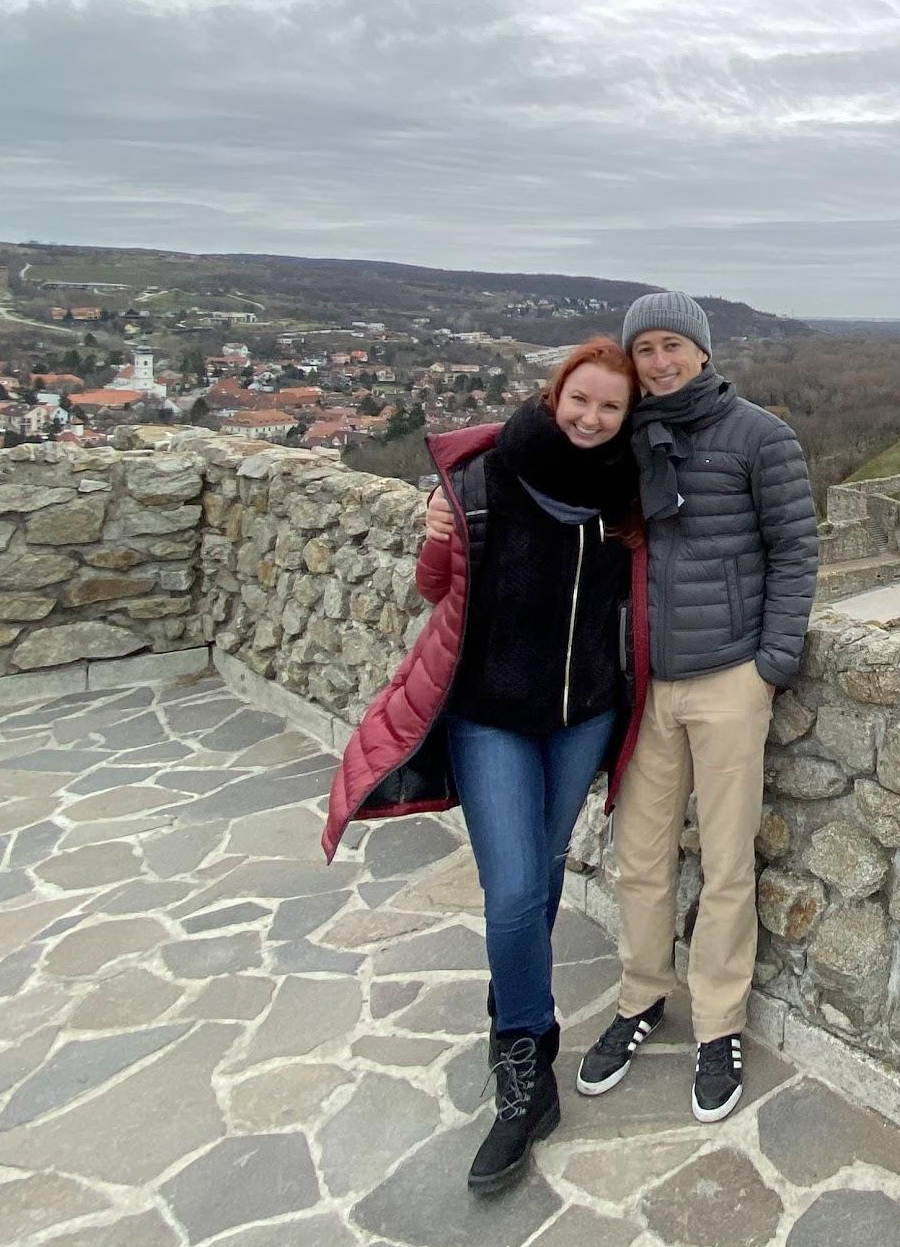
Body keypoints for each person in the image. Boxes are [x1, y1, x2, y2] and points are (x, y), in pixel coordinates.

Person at [323, 339, 650, 1194]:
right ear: (557, 394)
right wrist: (436, 531)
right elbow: (439, 588)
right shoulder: (489, 474)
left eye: (610, 407)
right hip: (491, 717)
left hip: (582, 717)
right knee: (510, 889)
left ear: (627, 415)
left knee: (540, 877)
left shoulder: (627, 494)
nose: (591, 417)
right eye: (581, 399)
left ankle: (515, 1013)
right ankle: (525, 1065)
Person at [572, 290, 818, 1125]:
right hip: (646, 683)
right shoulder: (630, 438)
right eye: (646, 350)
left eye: (673, 344)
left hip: (726, 680)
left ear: (703, 351)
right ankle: (641, 995)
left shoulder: (759, 436)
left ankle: (718, 1024)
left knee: (725, 862)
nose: (660, 362)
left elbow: (795, 548)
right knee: (639, 857)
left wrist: (770, 666)